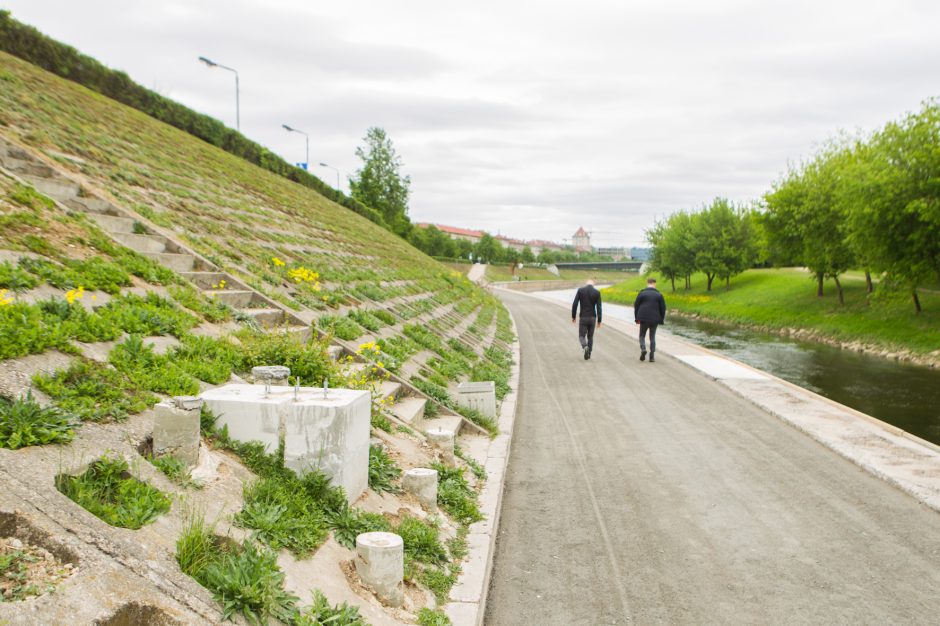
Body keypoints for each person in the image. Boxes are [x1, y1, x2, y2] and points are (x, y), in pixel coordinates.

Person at [633, 277, 666, 362]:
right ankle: (652, 356)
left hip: (643, 318)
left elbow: (636, 306)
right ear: (654, 284)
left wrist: (636, 318)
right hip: (655, 318)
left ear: (647, 283)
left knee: (642, 335)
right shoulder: (659, 295)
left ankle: (643, 348)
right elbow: (663, 308)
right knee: (652, 337)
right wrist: (662, 319)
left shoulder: (642, 293)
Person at [571, 278, 602, 360]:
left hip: (583, 317)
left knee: (581, 336)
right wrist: (599, 321)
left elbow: (575, 304)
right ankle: (589, 353)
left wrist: (573, 316)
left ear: (586, 283)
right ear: (593, 284)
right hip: (592, 318)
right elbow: (599, 307)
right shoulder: (597, 292)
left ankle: (585, 347)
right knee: (590, 337)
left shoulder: (580, 290)